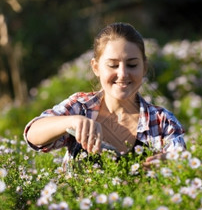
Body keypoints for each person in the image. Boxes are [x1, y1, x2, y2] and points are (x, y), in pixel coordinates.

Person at [24, 22, 186, 170]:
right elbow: (33, 134)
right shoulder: (81, 107)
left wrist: (172, 163)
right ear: (96, 68)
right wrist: (71, 121)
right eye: (113, 65)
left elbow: (183, 163)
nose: (122, 74)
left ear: (144, 67)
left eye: (132, 65)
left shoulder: (162, 121)